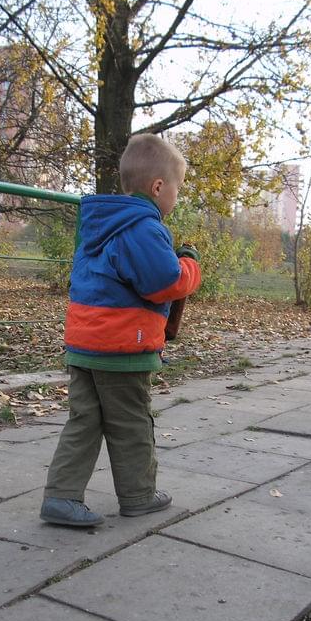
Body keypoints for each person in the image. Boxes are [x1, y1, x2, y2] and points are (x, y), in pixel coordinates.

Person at [40, 133, 201, 527]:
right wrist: (189, 266)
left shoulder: (99, 223)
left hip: (84, 344)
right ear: (158, 187)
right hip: (122, 348)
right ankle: (138, 495)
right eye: (177, 188)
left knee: (84, 420)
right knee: (131, 422)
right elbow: (163, 283)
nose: (177, 197)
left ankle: (61, 496)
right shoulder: (143, 226)